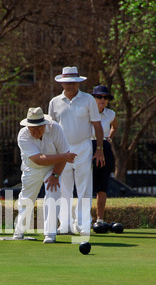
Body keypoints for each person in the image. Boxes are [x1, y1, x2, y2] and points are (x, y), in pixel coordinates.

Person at [48, 66, 104, 236]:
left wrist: (99, 149)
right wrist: (53, 153)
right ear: (62, 83)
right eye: (67, 83)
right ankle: (64, 224)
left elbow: (97, 125)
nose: (70, 86)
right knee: (64, 188)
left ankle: (82, 224)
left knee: (84, 187)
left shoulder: (88, 100)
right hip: (63, 149)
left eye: (73, 83)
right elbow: (51, 128)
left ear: (78, 83)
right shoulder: (54, 102)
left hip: (83, 146)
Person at [13, 107, 77, 243]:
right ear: (27, 126)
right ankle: (19, 231)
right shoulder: (23, 135)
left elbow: (63, 153)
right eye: (32, 128)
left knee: (53, 194)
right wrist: (64, 157)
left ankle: (50, 233)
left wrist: (55, 175)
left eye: (39, 128)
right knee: (27, 198)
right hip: (32, 169)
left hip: (52, 167)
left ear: (45, 124)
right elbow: (39, 159)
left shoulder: (56, 129)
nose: (36, 132)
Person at [91, 85, 118, 225]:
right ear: (93, 98)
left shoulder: (110, 113)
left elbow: (115, 126)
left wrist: (109, 137)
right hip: (88, 145)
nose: (102, 100)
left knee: (102, 185)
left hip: (104, 147)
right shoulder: (87, 112)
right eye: (99, 97)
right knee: (85, 185)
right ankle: (81, 220)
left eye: (105, 97)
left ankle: (100, 219)